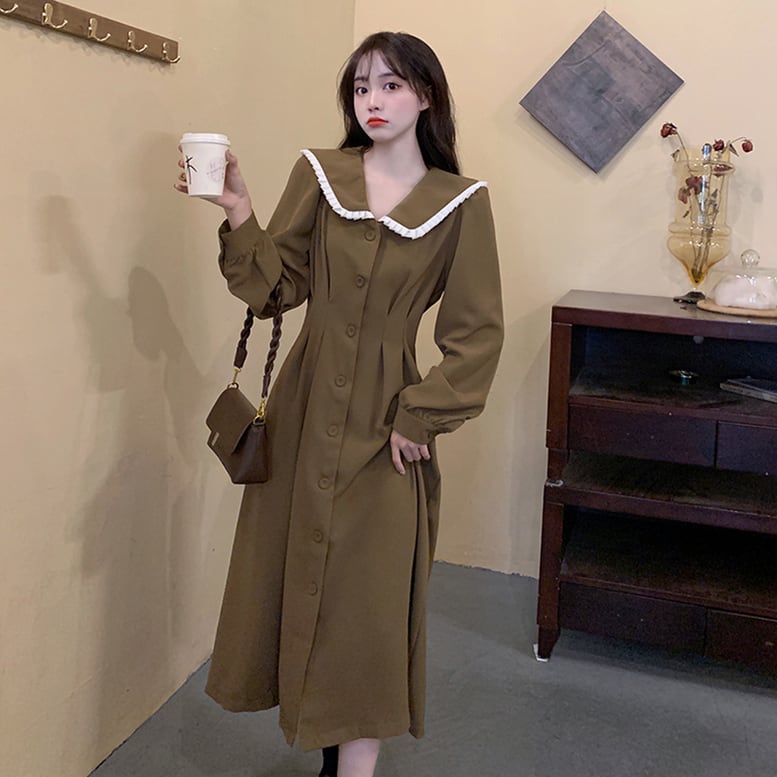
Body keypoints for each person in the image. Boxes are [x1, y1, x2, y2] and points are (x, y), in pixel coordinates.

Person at [176, 31, 503, 777]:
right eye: (360, 88)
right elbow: (275, 289)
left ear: (426, 95)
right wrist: (239, 209)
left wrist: (421, 415)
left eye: (390, 85)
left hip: (388, 424)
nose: (372, 101)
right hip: (303, 410)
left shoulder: (461, 204)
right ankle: (326, 750)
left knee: (367, 603)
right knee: (296, 571)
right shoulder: (320, 175)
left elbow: (475, 333)